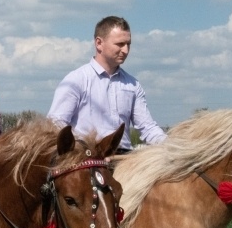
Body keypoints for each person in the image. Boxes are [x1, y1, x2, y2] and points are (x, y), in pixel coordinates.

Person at [47, 15, 166, 153]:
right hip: (87, 160)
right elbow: (55, 124)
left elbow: (147, 127)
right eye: (120, 44)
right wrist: (80, 151)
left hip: (124, 160)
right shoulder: (76, 80)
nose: (126, 50)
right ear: (99, 43)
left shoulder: (133, 85)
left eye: (128, 44)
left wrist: (175, 147)